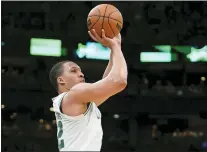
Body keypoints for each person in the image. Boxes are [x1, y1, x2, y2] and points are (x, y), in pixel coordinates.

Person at [49, 29, 128, 151]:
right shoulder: (75, 93)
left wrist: (114, 49)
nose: (81, 74)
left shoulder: (75, 101)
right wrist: (115, 46)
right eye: (73, 71)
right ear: (61, 80)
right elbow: (119, 81)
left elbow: (106, 82)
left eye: (80, 71)